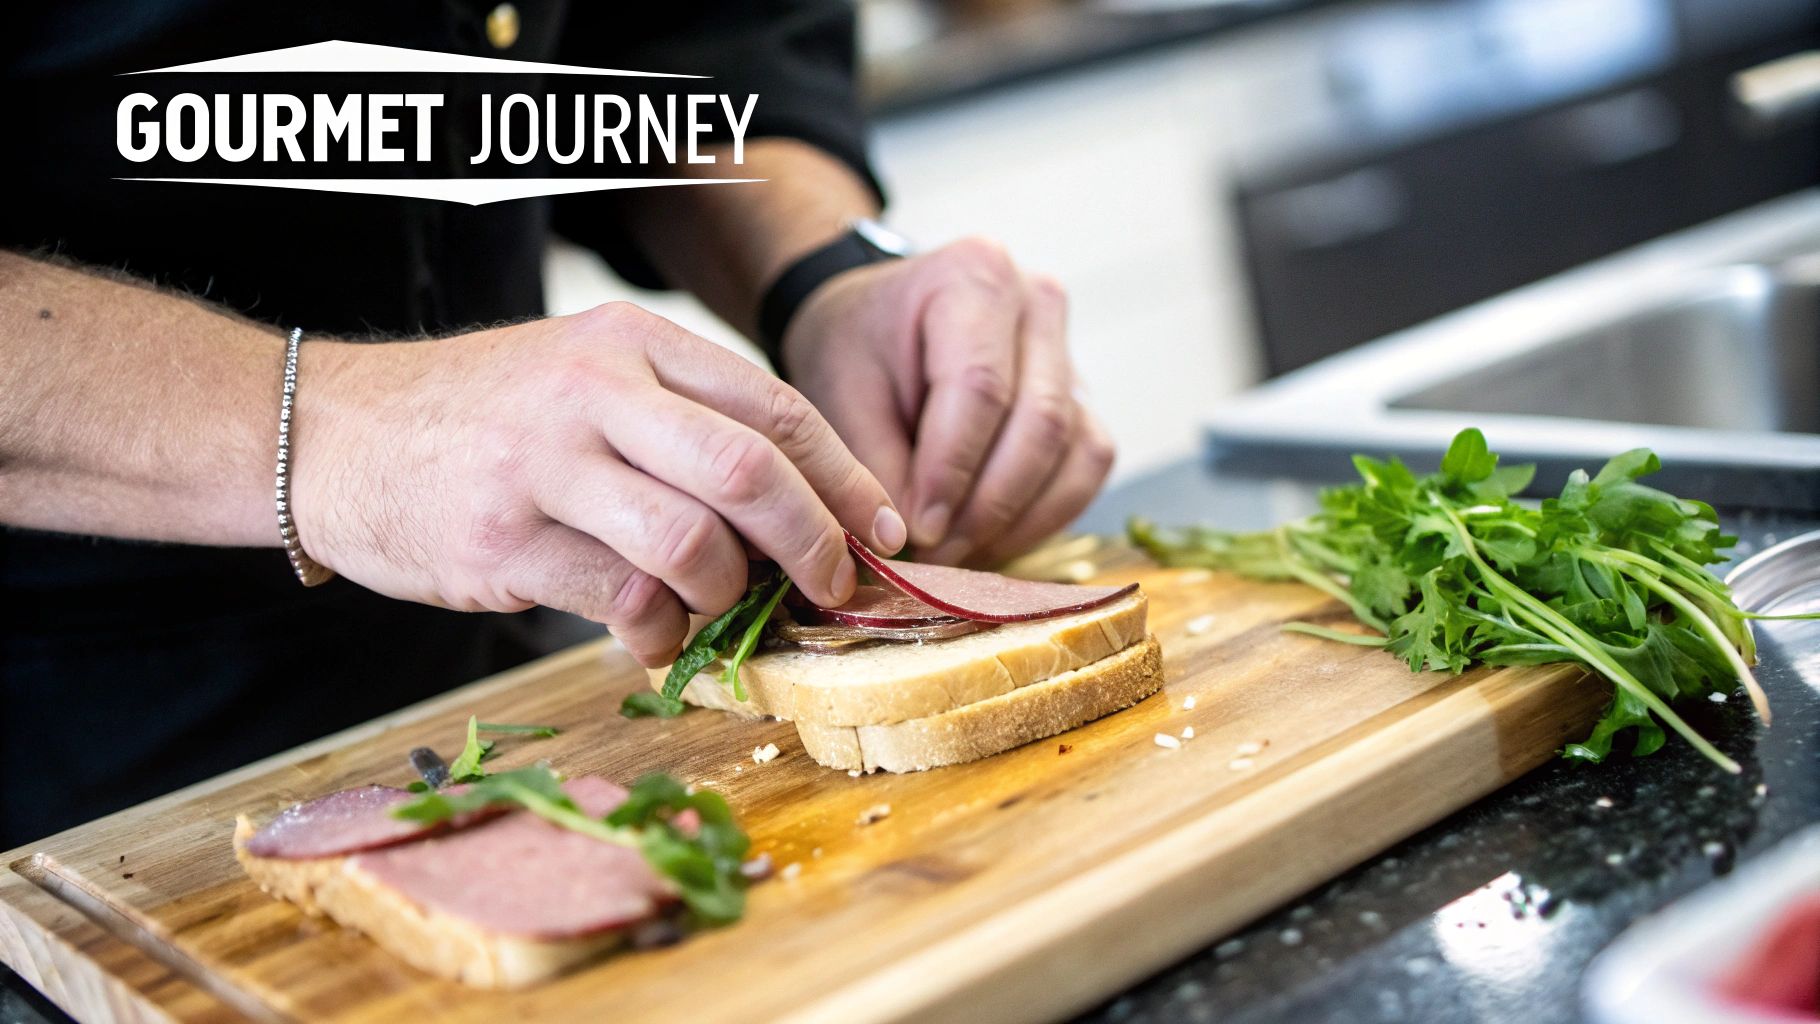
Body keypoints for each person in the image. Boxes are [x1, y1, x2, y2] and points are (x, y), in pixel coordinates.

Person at [0, 3, 1114, 846]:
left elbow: (683, 31)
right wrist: (331, 433)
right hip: (73, 768)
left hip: (520, 687)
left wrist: (816, 272)